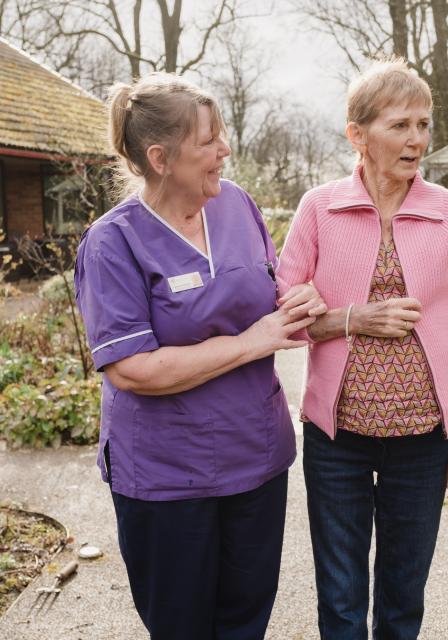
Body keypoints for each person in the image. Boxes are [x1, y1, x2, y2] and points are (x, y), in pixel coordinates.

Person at [74, 73, 325, 640]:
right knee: (182, 625)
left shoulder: (237, 205)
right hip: (167, 479)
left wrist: (298, 298)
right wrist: (251, 342)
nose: (225, 150)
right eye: (209, 140)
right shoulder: (113, 242)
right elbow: (132, 368)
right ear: (161, 157)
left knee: (246, 619)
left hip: (255, 462)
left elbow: (269, 290)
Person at [277, 58, 448, 639]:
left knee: (403, 599)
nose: (417, 140)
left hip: (424, 441)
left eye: (423, 124)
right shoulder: (319, 208)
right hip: (337, 441)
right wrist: (352, 319)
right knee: (341, 600)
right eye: (400, 125)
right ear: (358, 134)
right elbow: (283, 318)